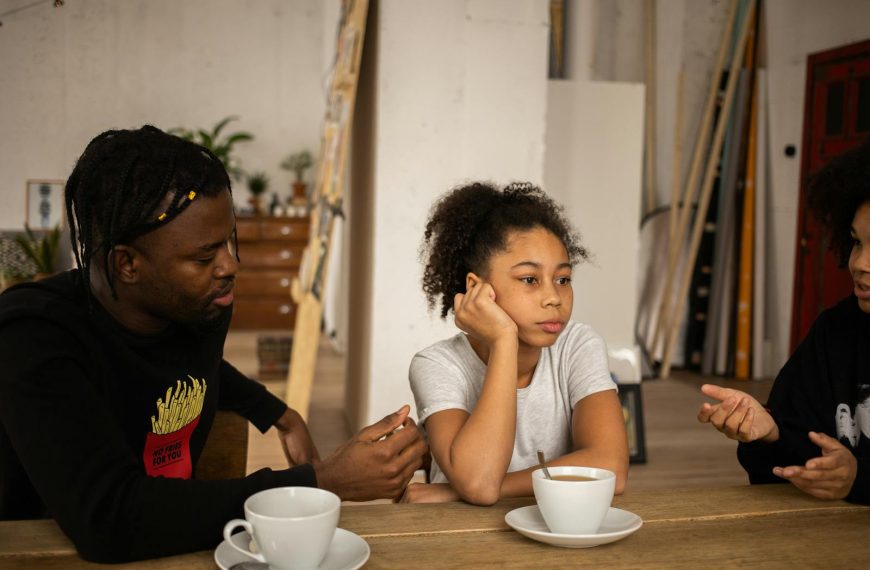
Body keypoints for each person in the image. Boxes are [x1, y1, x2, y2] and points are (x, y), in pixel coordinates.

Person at [0, 126, 427, 562]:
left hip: (170, 545)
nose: (229, 265)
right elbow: (110, 517)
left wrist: (279, 413)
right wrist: (317, 481)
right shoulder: (33, 335)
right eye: (204, 256)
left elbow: (191, 368)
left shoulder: (199, 305)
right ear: (127, 263)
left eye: (229, 241)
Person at [404, 182, 629, 505]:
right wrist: (503, 341)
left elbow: (612, 468)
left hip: (556, 528)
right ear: (477, 288)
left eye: (563, 279)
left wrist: (457, 492)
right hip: (461, 537)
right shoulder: (437, 365)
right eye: (529, 279)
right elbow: (480, 483)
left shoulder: (577, 345)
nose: (554, 298)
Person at [697, 140, 870, 504]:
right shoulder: (835, 331)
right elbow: (793, 458)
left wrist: (860, 478)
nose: (860, 263)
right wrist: (769, 432)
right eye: (857, 243)